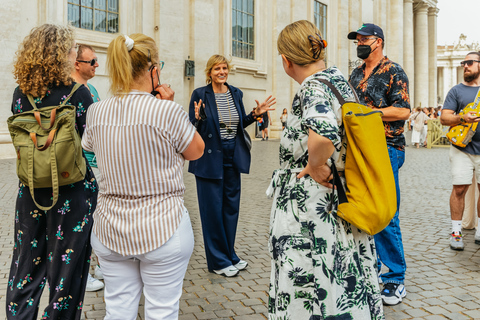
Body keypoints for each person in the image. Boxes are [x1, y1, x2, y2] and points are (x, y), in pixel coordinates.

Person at [82, 33, 204, 319]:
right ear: (154, 70)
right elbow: (196, 151)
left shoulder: (95, 112)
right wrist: (169, 106)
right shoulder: (166, 111)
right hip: (163, 225)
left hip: (111, 225)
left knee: (118, 309)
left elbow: (89, 147)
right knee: (162, 311)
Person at [267, 20, 383, 319]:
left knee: (309, 283)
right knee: (342, 277)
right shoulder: (338, 79)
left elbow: (324, 133)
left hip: (311, 208)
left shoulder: (312, 86)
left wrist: (313, 163)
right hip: (340, 199)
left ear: (286, 60)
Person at [6, 24, 98, 319]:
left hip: (31, 189)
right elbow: (92, 142)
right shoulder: (79, 93)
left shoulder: (21, 95)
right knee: (66, 270)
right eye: (72, 50)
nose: (74, 54)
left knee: (25, 265)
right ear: (59, 54)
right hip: (71, 192)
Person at [189, 54, 276, 277]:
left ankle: (229, 254)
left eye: (225, 68)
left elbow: (239, 124)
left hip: (232, 156)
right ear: (209, 72)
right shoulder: (200, 94)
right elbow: (192, 128)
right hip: (209, 158)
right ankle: (218, 261)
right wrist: (198, 119)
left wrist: (254, 114)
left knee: (230, 208)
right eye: (217, 68)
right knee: (212, 211)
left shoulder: (235, 93)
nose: (222, 72)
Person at [348, 23, 411, 305]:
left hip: (387, 148)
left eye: (364, 39)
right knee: (364, 207)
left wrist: (371, 115)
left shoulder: (393, 71)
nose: (360, 43)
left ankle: (395, 278)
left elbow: (403, 110)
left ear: (379, 42)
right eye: (357, 40)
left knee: (386, 212)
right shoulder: (355, 73)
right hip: (359, 148)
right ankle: (368, 268)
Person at [71, 44, 104, 292]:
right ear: (77, 63)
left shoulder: (90, 89)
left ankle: (99, 264)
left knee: (98, 219)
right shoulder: (74, 92)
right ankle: (86, 272)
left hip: (97, 166)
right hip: (80, 167)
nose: (96, 65)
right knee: (85, 221)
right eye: (92, 61)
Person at [439, 51, 480, 251]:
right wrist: (463, 118)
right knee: (459, 189)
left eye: (470, 62)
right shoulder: (456, 91)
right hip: (461, 148)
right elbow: (444, 118)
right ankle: (456, 232)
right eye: (464, 62)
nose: (465, 65)